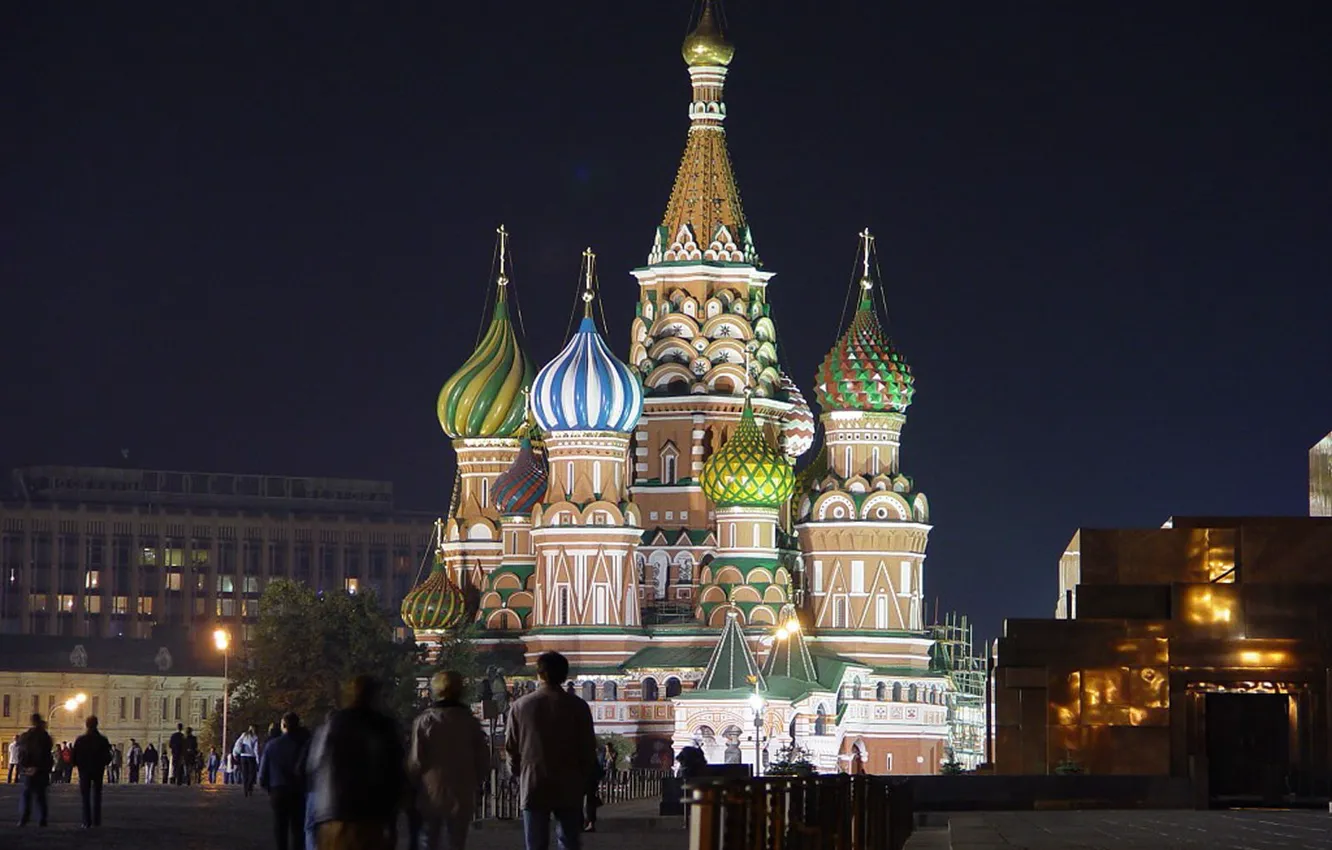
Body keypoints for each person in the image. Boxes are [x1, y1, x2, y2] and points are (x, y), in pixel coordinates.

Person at [505, 651, 598, 850]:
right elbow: (588, 748)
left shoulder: (521, 706)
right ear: (565, 676)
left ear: (539, 675)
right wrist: (585, 778)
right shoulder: (578, 707)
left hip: (533, 781)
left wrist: (518, 775)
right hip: (569, 782)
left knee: (536, 843)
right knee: (569, 841)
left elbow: (511, 748)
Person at [306, 675, 405, 850]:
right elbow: (394, 772)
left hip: (332, 814)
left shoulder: (330, 725)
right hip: (370, 816)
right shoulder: (384, 727)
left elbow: (313, 765)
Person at [408, 670, 489, 850]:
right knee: (456, 842)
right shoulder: (470, 722)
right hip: (462, 791)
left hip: (431, 792)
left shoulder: (425, 721)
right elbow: (483, 759)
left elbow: (416, 761)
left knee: (429, 841)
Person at [260, 712, 312, 850]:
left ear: (283, 725)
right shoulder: (304, 745)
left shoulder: (272, 745)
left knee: (280, 826)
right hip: (297, 790)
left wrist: (267, 786)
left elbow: (263, 771)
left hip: (278, 790)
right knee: (297, 828)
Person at [73, 716, 113, 828]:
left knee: (85, 796)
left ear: (86, 725)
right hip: (98, 770)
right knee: (97, 795)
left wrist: (78, 764)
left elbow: (74, 756)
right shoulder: (102, 740)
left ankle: (86, 821)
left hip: (84, 770)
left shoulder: (81, 740)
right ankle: (97, 820)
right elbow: (108, 756)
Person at [16, 714, 54, 826]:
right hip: (41, 769)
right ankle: (42, 819)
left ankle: (24, 818)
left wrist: (25, 766)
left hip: (29, 769)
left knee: (27, 794)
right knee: (40, 795)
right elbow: (47, 754)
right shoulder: (45, 736)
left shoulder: (27, 736)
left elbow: (22, 752)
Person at [234, 725, 261, 797]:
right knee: (251, 773)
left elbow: (237, 743)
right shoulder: (255, 737)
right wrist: (258, 760)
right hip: (251, 757)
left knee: (245, 774)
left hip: (243, 756)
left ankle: (245, 789)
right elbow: (256, 750)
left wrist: (235, 753)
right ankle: (249, 787)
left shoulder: (244, 735)